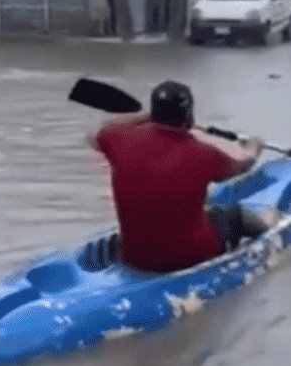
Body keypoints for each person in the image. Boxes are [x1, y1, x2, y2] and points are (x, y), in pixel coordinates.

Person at [87, 80, 281, 273]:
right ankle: (275, 233)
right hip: (189, 257)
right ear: (188, 114)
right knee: (237, 215)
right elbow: (242, 166)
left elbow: (96, 131)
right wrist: (254, 148)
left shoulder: (118, 139)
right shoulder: (203, 154)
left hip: (133, 258)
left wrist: (146, 116)